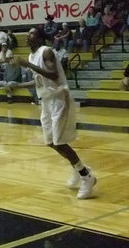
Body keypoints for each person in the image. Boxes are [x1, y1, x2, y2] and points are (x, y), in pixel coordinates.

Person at [13, 28, 97, 199]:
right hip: (45, 101)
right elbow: (39, 80)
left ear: (40, 38)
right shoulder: (31, 56)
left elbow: (54, 75)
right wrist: (18, 85)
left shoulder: (46, 52)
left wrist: (27, 65)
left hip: (59, 98)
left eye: (32, 34)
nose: (28, 36)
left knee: (59, 142)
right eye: (28, 34)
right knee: (50, 142)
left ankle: (87, 177)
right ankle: (79, 168)